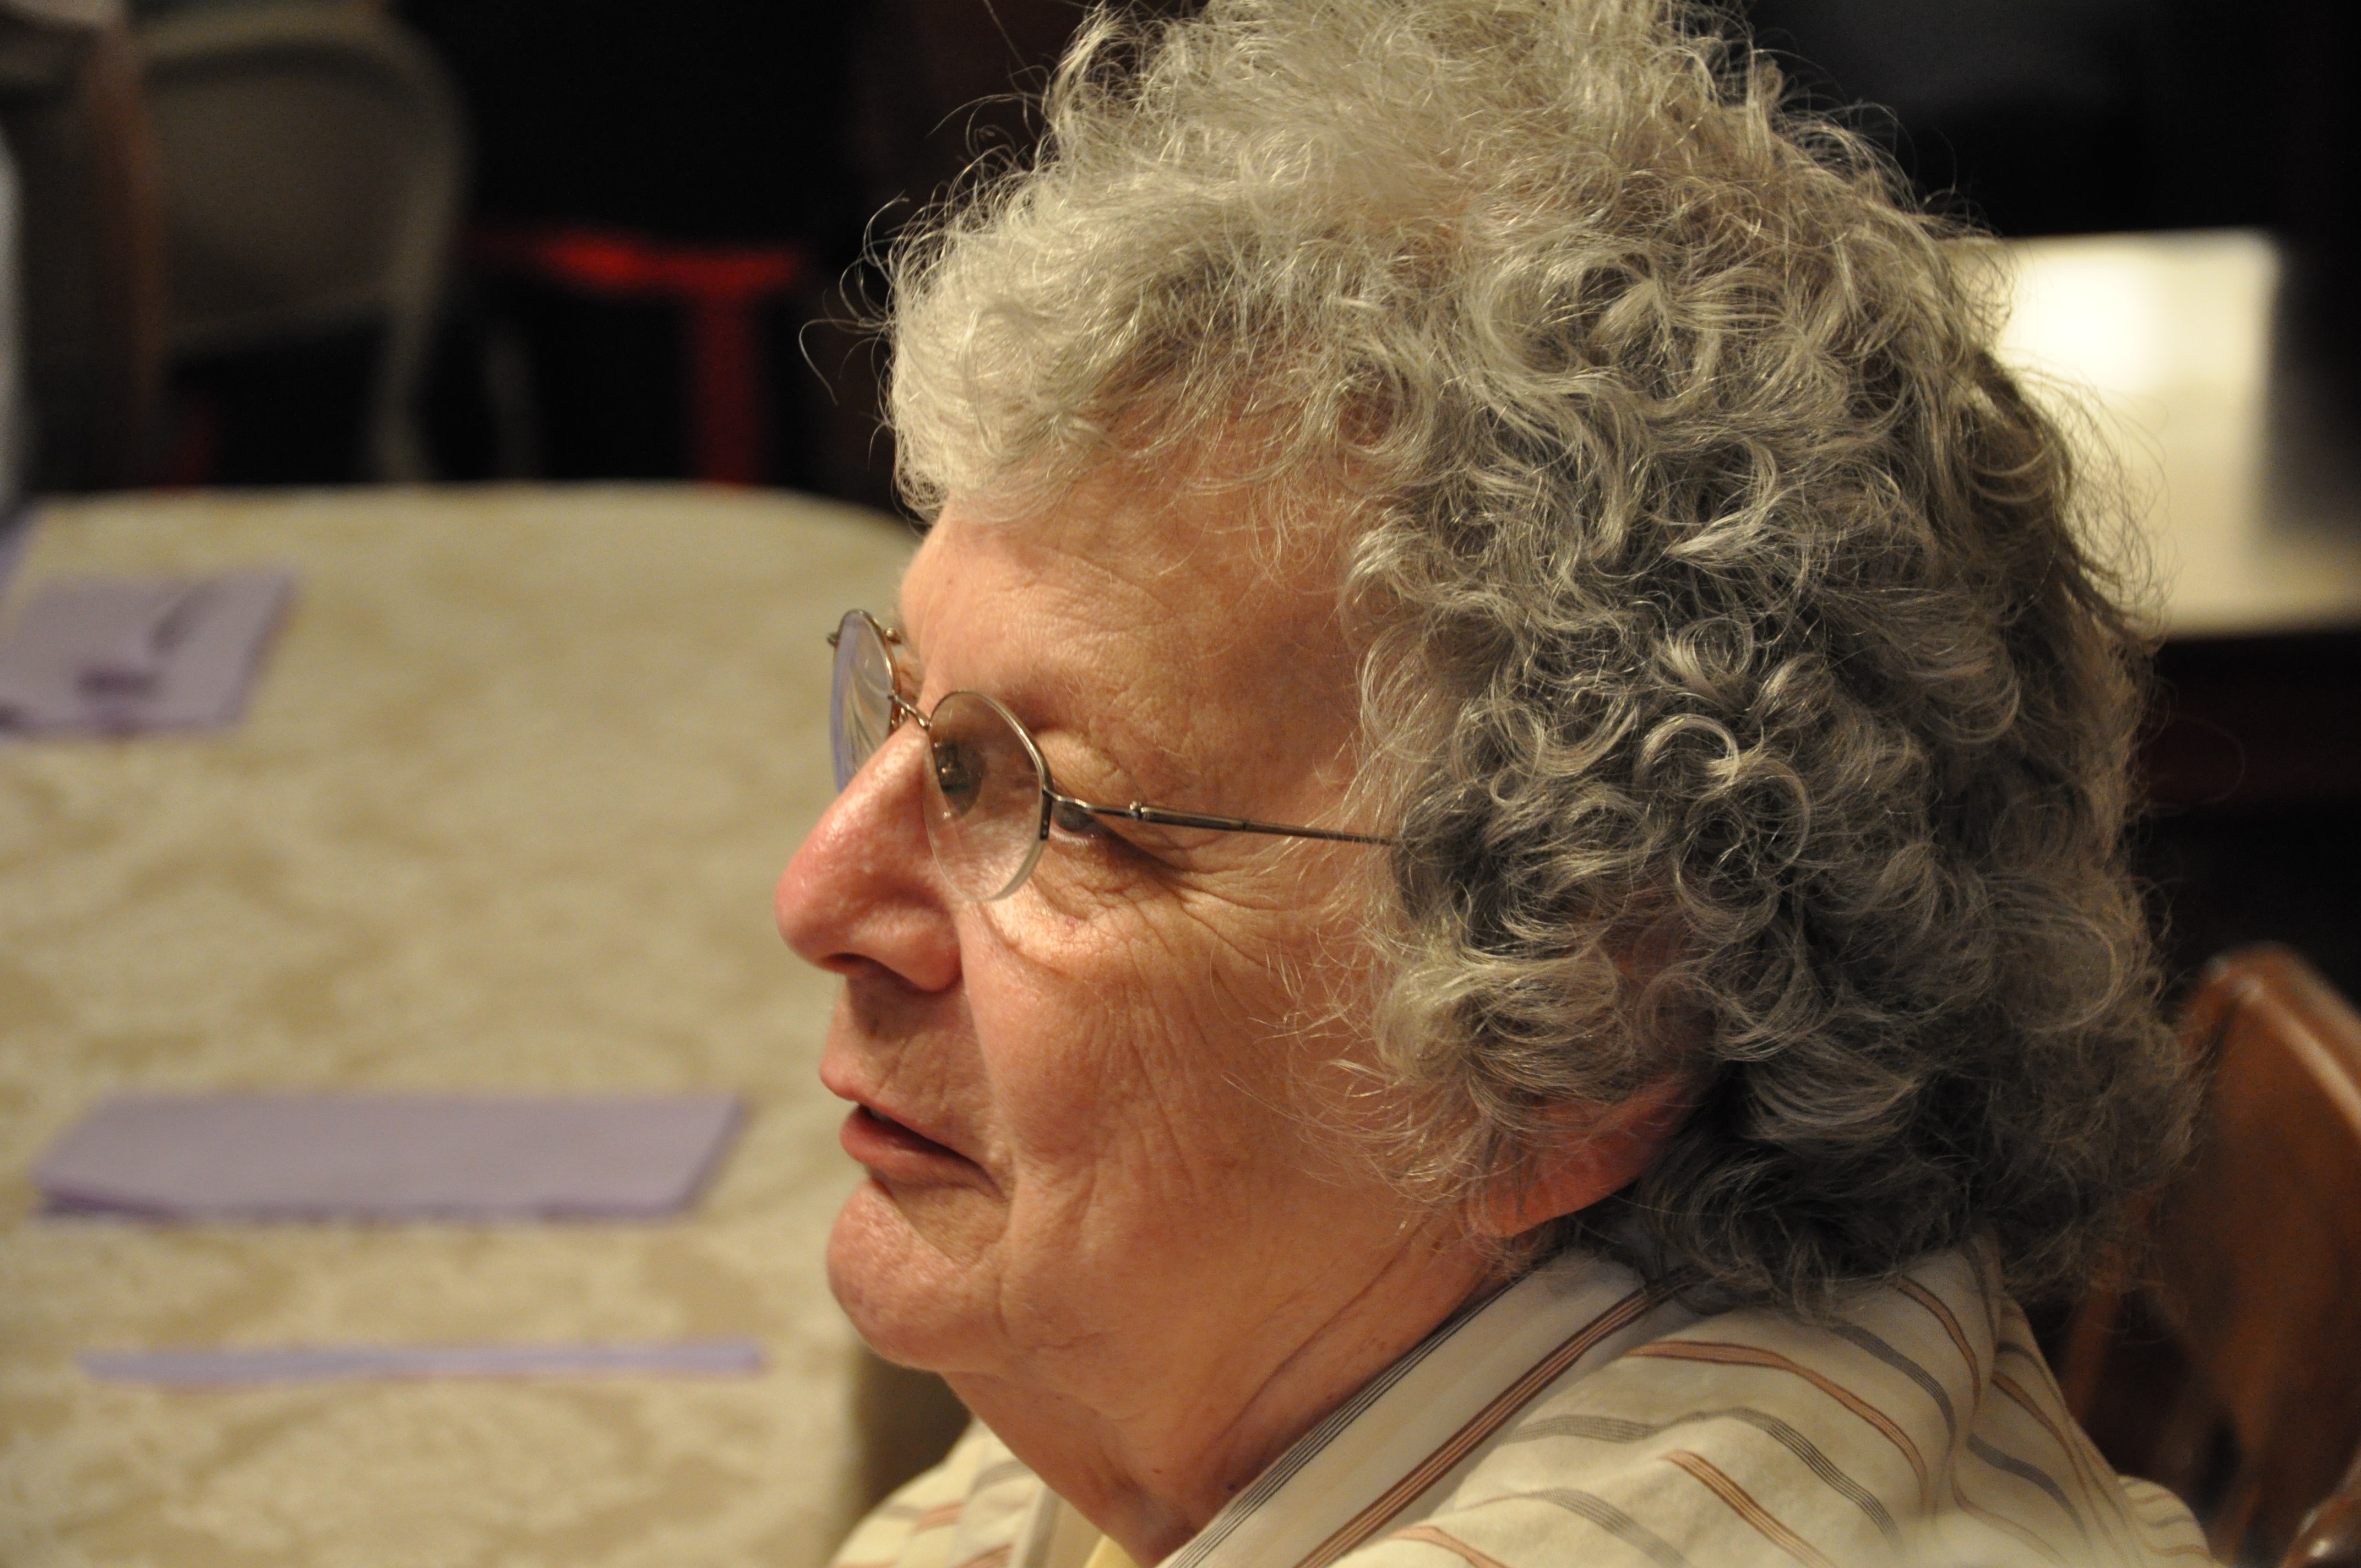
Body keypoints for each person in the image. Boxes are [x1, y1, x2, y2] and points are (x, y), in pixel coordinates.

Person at [775, 1, 2204, 1563]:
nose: (819, 895)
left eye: (1049, 804)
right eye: (918, 724)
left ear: (1577, 1036)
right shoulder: (1247, 1366)